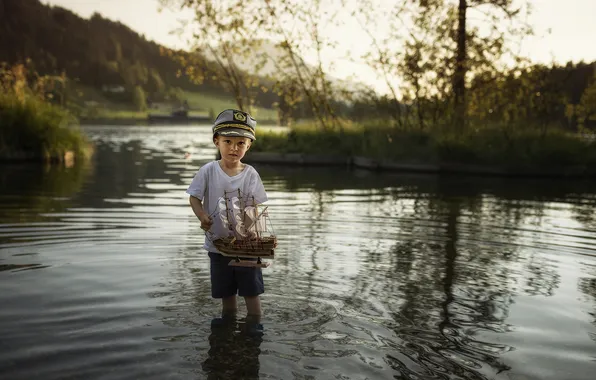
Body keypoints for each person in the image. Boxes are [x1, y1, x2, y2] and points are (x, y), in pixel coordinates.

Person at [186, 109, 268, 317]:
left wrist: (251, 231)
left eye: (241, 143)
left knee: (251, 294)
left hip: (245, 246)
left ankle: (253, 332)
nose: (234, 148)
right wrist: (202, 216)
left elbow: (253, 206)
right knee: (227, 296)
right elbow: (194, 197)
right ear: (216, 142)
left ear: (248, 145)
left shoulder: (250, 174)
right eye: (228, 142)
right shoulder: (208, 171)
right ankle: (226, 336)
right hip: (218, 245)